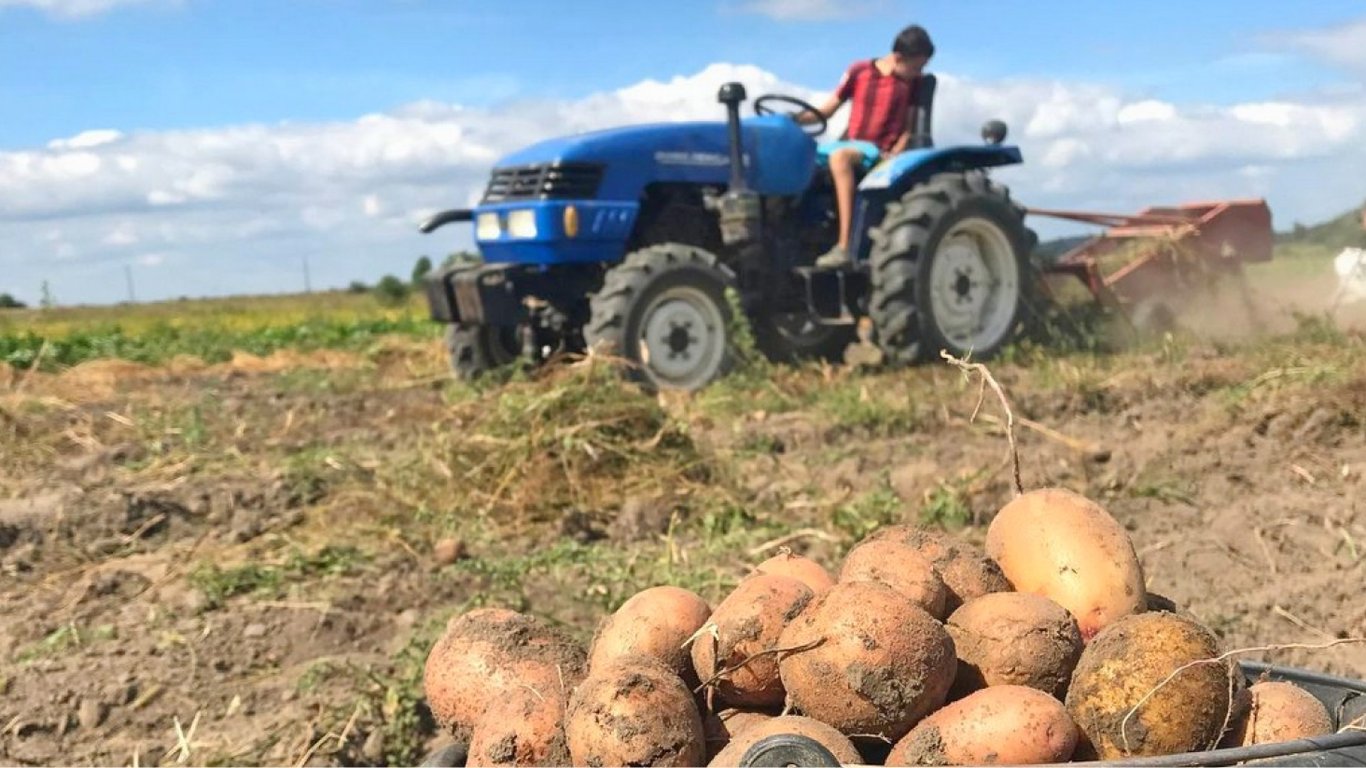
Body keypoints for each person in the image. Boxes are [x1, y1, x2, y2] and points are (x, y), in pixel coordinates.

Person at [796, 25, 935, 268]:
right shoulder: (859, 71)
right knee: (797, 155)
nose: (918, 73)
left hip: (876, 151)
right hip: (850, 144)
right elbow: (826, 111)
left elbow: (908, 130)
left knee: (840, 158)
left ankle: (844, 246)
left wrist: (895, 154)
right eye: (916, 67)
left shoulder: (913, 84)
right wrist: (791, 119)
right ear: (899, 58)